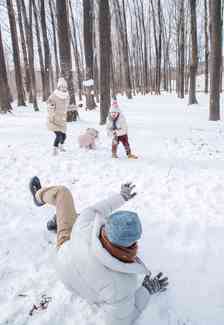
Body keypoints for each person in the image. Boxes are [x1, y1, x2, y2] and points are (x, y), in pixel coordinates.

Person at [29, 177, 169, 325]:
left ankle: (45, 202)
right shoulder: (122, 286)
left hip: (63, 254)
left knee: (62, 193)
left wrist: (121, 196)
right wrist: (147, 289)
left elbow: (97, 210)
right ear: (133, 242)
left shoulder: (86, 222)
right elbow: (121, 321)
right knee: (73, 217)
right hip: (74, 277)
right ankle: (56, 217)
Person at [47, 77, 69, 156]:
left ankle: (61, 146)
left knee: (64, 136)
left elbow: (66, 106)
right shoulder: (54, 95)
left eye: (65, 87)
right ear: (58, 87)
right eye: (61, 86)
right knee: (58, 135)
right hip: (54, 119)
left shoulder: (66, 96)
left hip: (62, 120)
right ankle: (54, 150)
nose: (63, 88)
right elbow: (49, 104)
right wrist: (51, 109)